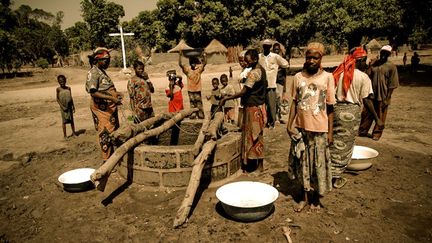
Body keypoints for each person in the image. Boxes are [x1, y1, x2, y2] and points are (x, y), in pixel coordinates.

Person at [286, 42, 335, 212]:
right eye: (309, 57)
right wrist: (289, 124)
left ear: (321, 58)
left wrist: (330, 132)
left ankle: (315, 199)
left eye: (315, 57)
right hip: (301, 129)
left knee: (318, 166)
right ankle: (304, 198)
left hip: (320, 129)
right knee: (302, 164)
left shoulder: (328, 77)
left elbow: (330, 107)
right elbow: (294, 102)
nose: (312, 60)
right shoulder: (298, 77)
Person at [330, 46, 383, 188]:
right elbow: (367, 100)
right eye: (365, 60)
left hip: (334, 111)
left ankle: (328, 170)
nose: (366, 63)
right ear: (361, 60)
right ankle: (335, 177)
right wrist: (377, 119)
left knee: (332, 142)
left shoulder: (338, 72)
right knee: (344, 146)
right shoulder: (363, 77)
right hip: (351, 113)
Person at [221, 49, 267, 173]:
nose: (246, 63)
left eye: (248, 61)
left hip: (254, 108)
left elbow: (244, 91)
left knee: (255, 137)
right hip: (255, 106)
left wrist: (227, 98)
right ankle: (252, 164)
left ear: (255, 59)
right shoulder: (260, 69)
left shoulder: (254, 73)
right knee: (252, 136)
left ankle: (259, 166)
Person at [86, 47, 123, 163]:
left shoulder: (101, 71)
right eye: (106, 61)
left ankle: (113, 157)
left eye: (108, 61)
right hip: (103, 110)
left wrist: (116, 94)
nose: (108, 63)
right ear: (98, 60)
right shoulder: (93, 72)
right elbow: (94, 92)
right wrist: (111, 98)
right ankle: (106, 161)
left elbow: (104, 88)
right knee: (105, 133)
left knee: (113, 132)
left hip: (110, 109)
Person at [359, 45, 399, 140]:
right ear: (380, 52)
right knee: (366, 112)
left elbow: (392, 84)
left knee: (381, 114)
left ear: (389, 54)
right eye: (383, 52)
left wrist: (388, 97)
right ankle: (362, 131)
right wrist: (369, 65)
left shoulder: (391, 66)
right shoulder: (374, 63)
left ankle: (377, 133)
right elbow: (367, 75)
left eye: (386, 53)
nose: (384, 54)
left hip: (383, 95)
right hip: (371, 93)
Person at [259, 39, 289, 129]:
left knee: (272, 105)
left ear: (270, 47)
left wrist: (277, 68)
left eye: (268, 46)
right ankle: (264, 121)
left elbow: (286, 64)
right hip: (261, 85)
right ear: (263, 47)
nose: (266, 48)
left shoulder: (275, 57)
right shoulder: (259, 57)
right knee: (263, 104)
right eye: (265, 46)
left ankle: (272, 123)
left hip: (271, 84)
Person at [178, 52, 207, 119]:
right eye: (192, 63)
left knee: (199, 103)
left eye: (194, 63)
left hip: (197, 90)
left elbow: (205, 63)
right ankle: (193, 115)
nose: (193, 64)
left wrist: (205, 56)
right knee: (192, 104)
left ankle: (200, 115)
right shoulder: (188, 70)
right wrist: (180, 56)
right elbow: (180, 65)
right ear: (190, 64)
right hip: (190, 90)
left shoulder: (199, 70)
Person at [56, 75, 77, 139]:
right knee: (64, 121)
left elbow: (71, 97)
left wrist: (73, 106)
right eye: (60, 81)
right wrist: (62, 107)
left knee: (71, 120)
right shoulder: (58, 89)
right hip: (63, 107)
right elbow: (57, 99)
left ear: (65, 81)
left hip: (69, 106)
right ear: (58, 82)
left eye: (63, 81)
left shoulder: (68, 88)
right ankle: (65, 135)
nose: (62, 82)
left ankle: (74, 133)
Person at [272, 42, 288, 124]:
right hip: (272, 82)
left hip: (280, 81)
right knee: (275, 98)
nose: (276, 51)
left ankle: (279, 116)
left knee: (279, 98)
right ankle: (275, 117)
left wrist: (285, 87)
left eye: (277, 49)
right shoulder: (271, 59)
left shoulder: (282, 60)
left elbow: (285, 74)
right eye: (275, 49)